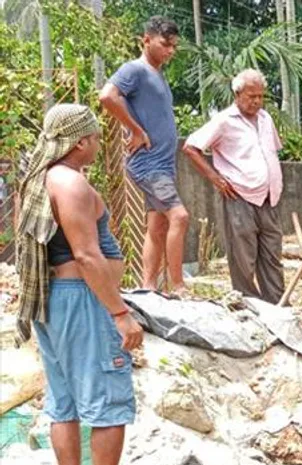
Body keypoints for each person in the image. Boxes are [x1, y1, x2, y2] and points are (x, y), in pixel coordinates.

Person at [15, 104, 146, 465]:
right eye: (93, 136)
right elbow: (88, 256)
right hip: (80, 299)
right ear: (79, 142)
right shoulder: (70, 184)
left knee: (64, 400)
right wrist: (120, 312)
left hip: (52, 300)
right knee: (107, 396)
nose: (97, 142)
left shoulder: (39, 179)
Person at [99, 16, 187, 294]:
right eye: (165, 44)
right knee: (180, 217)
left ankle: (148, 287)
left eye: (174, 46)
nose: (170, 51)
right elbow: (107, 96)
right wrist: (135, 130)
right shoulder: (134, 70)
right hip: (149, 165)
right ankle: (178, 286)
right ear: (146, 40)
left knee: (158, 224)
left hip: (163, 164)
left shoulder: (157, 73)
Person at [183, 69, 284, 304]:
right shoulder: (224, 120)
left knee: (271, 254)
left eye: (260, 96)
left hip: (269, 197)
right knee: (243, 256)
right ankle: (248, 303)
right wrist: (215, 178)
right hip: (239, 196)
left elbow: (271, 152)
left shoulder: (265, 119)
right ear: (237, 94)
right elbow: (191, 147)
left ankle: (276, 304)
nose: (257, 101)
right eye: (251, 96)